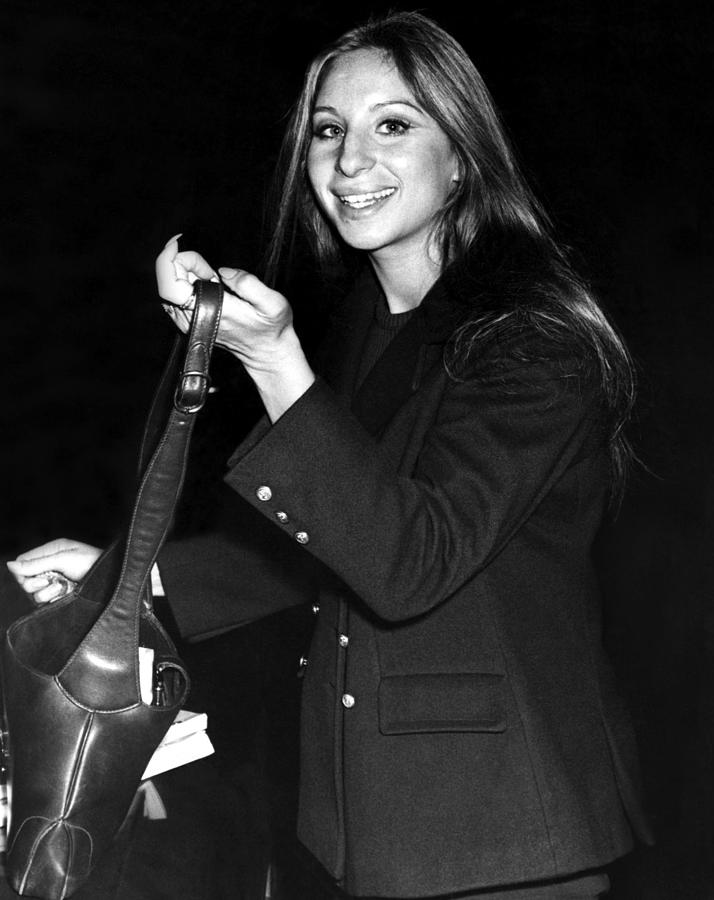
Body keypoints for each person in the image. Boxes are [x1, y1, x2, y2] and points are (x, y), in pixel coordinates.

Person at [7, 11, 652, 899]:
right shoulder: (371, 325)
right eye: (328, 130)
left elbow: (408, 559)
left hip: (501, 834)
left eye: (394, 124)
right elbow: (326, 547)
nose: (349, 162)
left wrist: (276, 363)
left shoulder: (536, 342)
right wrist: (129, 577)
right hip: (368, 826)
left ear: (464, 154)